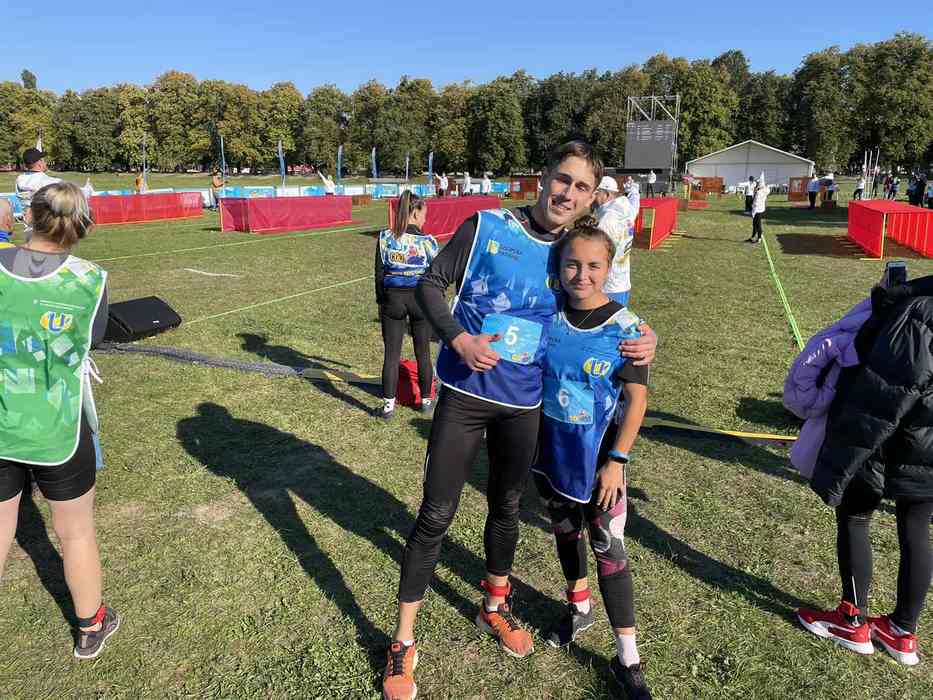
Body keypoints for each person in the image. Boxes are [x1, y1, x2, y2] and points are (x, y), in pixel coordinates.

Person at [381, 140, 657, 700]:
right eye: (562, 179)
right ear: (543, 177)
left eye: (582, 187)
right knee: (435, 515)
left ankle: (494, 605)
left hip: (524, 406)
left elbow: (601, 311)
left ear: (592, 198)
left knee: (506, 509)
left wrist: (644, 337)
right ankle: (403, 642)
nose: (568, 193)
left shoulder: (572, 254)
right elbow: (430, 284)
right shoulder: (486, 226)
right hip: (465, 396)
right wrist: (457, 338)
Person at [532, 221, 652, 698]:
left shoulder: (627, 328)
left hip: (600, 464)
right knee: (565, 533)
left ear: (609, 267)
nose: (581, 275)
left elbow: (637, 401)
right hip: (549, 457)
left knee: (609, 550)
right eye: (572, 264)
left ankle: (628, 660)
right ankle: (578, 608)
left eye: (593, 265)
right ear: (559, 267)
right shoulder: (547, 314)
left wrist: (617, 461)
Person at [0, 182, 118, 660]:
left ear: (29, 214)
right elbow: (95, 337)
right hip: (58, 426)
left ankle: (92, 623)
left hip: (5, 420)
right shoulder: (91, 279)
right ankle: (90, 625)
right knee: (76, 531)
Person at [798, 273, 933, 667]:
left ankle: (851, 620)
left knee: (856, 515)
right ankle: (902, 630)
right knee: (917, 525)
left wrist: (848, 449)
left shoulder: (920, 311)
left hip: (896, 439)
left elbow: (889, 390)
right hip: (926, 442)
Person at [375, 191, 439, 420]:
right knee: (423, 353)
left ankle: (388, 407)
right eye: (424, 214)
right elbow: (435, 278)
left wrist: (381, 302)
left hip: (393, 300)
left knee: (391, 355)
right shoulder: (429, 242)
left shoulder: (385, 237)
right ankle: (427, 401)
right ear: (415, 212)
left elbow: (379, 274)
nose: (425, 219)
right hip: (420, 301)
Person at [594, 176, 636, 305]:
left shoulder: (607, 219)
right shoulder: (627, 209)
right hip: (623, 281)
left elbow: (595, 254)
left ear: (606, 194)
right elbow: (635, 201)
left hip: (608, 285)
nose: (591, 197)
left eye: (595, 193)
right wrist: (633, 189)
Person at [746, 177, 768, 244]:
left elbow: (756, 203)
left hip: (758, 210)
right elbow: (767, 189)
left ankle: (759, 239)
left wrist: (753, 211)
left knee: (758, 225)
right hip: (761, 209)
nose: (756, 185)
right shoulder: (764, 190)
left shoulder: (759, 193)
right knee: (755, 224)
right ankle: (753, 237)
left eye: (757, 184)